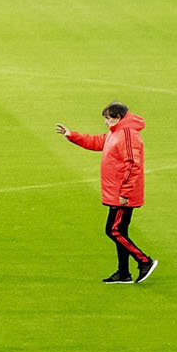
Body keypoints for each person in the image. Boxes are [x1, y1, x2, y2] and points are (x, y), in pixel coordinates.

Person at [57, 103, 155, 283]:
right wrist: (71, 135)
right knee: (120, 231)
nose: (105, 122)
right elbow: (97, 142)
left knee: (113, 230)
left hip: (122, 195)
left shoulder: (127, 134)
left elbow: (133, 164)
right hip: (116, 192)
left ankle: (144, 261)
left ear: (118, 117)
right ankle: (123, 273)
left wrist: (124, 193)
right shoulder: (117, 132)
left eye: (107, 118)